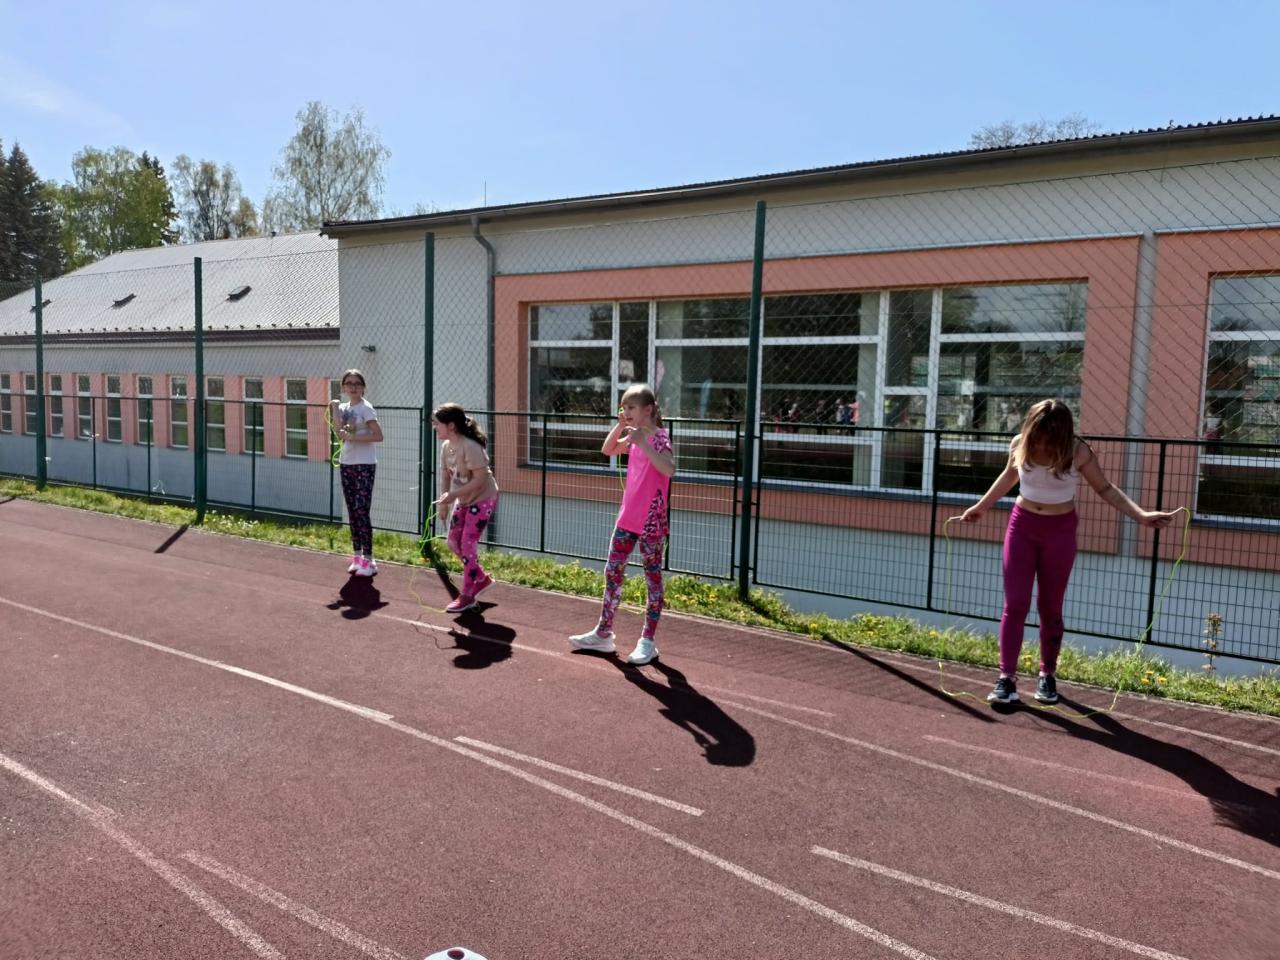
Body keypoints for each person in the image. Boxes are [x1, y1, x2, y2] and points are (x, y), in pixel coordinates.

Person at [961, 399, 1176, 705]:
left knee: (1050, 607)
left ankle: (1047, 674)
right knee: (1016, 604)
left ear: (1062, 435)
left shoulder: (1079, 451)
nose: (1042, 446)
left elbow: (1105, 489)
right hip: (1022, 527)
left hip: (1059, 531)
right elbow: (1009, 475)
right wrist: (981, 507)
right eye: (1038, 437)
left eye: (1049, 440)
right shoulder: (1019, 444)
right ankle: (1006, 678)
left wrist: (1141, 515)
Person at [569, 383, 675, 665]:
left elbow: (669, 469)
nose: (626, 411)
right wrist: (620, 427)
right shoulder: (633, 435)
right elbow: (607, 450)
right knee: (612, 571)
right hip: (628, 517)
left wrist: (643, 443)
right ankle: (603, 633)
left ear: (648, 409)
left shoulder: (659, 438)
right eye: (624, 407)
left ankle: (647, 641)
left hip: (651, 521)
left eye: (631, 407)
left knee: (652, 578)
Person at [433, 403, 500, 614]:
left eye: (437, 423)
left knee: (467, 545)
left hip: (483, 499)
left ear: (451, 426)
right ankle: (481, 578)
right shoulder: (446, 447)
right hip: (462, 499)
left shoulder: (470, 447)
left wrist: (453, 495)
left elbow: (480, 480)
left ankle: (468, 596)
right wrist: (444, 503)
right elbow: (445, 476)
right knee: (453, 542)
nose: (434, 427)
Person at [331, 369, 384, 577]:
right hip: (347, 463)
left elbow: (378, 436)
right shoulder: (344, 408)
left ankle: (369, 560)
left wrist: (353, 438)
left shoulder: (366, 408)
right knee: (352, 511)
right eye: (349, 383)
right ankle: (357, 557)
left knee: (362, 510)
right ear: (343, 387)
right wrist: (334, 408)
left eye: (357, 384)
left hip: (365, 464)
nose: (353, 387)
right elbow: (339, 432)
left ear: (363, 387)